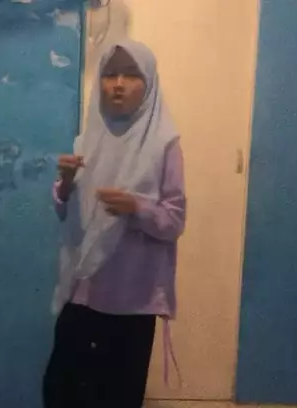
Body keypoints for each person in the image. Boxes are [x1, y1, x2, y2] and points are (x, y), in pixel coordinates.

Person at [42, 39, 186, 408]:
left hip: (131, 300)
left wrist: (136, 207)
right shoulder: (88, 139)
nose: (118, 84)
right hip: (81, 289)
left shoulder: (164, 145)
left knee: (116, 396)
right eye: (109, 74)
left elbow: (174, 220)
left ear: (149, 83)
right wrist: (65, 184)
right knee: (62, 391)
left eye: (131, 74)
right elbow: (65, 210)